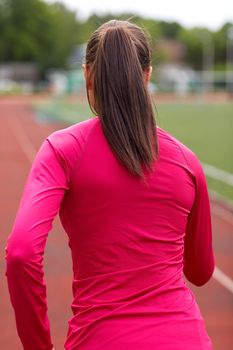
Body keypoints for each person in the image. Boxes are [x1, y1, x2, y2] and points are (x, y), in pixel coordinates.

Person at [5, 19, 215, 350]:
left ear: (88, 75)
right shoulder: (187, 162)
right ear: (147, 75)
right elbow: (201, 272)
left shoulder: (62, 149)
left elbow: (21, 254)